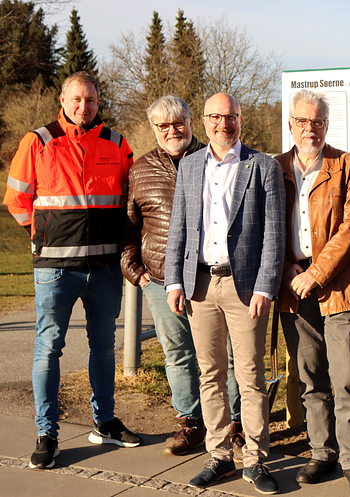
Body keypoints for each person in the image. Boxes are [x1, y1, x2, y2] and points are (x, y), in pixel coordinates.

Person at [3, 71, 141, 470]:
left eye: (92, 101)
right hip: (54, 269)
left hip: (104, 269)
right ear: (62, 100)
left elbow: (131, 200)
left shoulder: (117, 143)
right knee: (49, 348)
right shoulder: (38, 141)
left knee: (103, 346)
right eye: (77, 99)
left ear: (99, 104)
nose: (84, 107)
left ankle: (106, 423)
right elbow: (16, 199)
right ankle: (47, 432)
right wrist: (42, 236)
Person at [164, 92, 285, 493]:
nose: (223, 124)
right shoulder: (190, 165)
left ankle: (256, 460)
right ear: (203, 120)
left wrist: (266, 285)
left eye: (230, 116)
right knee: (210, 375)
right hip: (199, 285)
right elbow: (179, 228)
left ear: (240, 119)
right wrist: (174, 280)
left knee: (249, 377)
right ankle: (219, 456)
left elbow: (273, 234)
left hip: (244, 287)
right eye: (215, 117)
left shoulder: (262, 166)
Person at [121, 95, 245, 457]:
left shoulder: (216, 159)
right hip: (160, 278)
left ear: (193, 122)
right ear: (154, 130)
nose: (172, 131)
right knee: (177, 351)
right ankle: (190, 421)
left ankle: (235, 421)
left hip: (211, 276)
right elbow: (129, 227)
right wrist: (137, 273)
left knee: (227, 352)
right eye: (163, 126)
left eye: (179, 123)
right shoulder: (141, 169)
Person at [276, 89, 350, 493]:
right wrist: (284, 267)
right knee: (309, 376)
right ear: (291, 125)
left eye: (317, 122)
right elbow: (265, 227)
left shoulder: (346, 165)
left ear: (326, 125)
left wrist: (315, 273)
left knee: (346, 377)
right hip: (292, 290)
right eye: (302, 121)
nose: (309, 129)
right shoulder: (273, 168)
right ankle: (321, 452)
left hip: (338, 288)